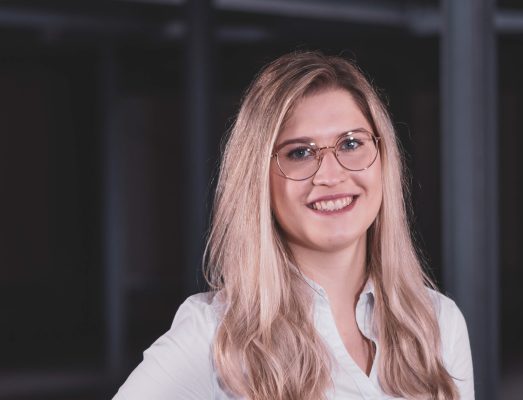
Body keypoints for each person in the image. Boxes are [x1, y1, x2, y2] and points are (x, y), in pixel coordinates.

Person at [113, 50, 474, 400]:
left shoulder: (438, 323)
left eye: (351, 144)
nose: (331, 175)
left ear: (383, 159)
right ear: (258, 179)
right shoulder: (214, 335)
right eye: (300, 153)